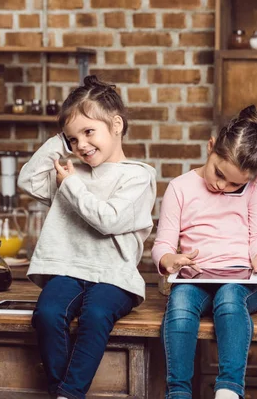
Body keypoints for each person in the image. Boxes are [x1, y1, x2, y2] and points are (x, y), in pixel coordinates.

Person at [17, 75, 157, 399]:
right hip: (69, 271)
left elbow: (107, 220)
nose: (81, 145)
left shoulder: (138, 175)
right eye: (72, 139)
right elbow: (27, 179)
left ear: (117, 124)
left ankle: (68, 393)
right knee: (48, 314)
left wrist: (70, 186)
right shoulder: (72, 173)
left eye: (89, 131)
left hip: (114, 276)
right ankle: (63, 393)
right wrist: (60, 139)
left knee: (95, 316)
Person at [152, 105, 257, 399]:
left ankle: (229, 389)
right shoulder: (180, 188)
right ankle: (178, 391)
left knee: (229, 298)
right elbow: (163, 245)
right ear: (210, 147)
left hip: (242, 282)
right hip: (195, 280)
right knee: (179, 304)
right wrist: (169, 261)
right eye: (219, 173)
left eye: (235, 184)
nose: (222, 186)